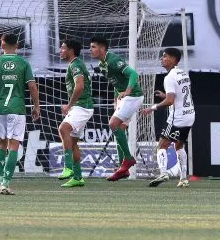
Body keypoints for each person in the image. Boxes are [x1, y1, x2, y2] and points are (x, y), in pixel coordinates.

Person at [0, 32, 40, 195]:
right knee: (13, 146)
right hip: (17, 109)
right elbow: (32, 87)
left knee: (1, 144)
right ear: (17, 46)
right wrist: (36, 106)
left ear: (2, 45)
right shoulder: (23, 63)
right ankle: (5, 183)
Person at [89, 35, 144, 181]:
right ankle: (123, 168)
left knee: (113, 124)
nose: (90, 50)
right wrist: (116, 101)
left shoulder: (113, 60)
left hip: (133, 96)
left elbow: (133, 73)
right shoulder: (102, 64)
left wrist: (128, 90)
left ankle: (128, 159)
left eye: (93, 47)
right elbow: (116, 83)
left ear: (102, 48)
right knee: (121, 127)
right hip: (125, 99)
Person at [142, 48, 196, 188]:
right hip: (189, 115)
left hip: (177, 117)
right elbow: (179, 96)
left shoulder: (169, 77)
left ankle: (163, 173)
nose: (162, 59)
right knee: (179, 145)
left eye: (164, 56)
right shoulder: (182, 73)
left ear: (173, 59)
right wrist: (165, 95)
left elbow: (171, 101)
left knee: (162, 145)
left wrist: (152, 108)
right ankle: (183, 178)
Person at [56, 39, 93, 188]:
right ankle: (78, 177)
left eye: (63, 48)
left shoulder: (76, 64)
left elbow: (79, 86)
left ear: (71, 50)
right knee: (73, 142)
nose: (60, 51)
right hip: (81, 106)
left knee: (63, 129)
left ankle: (68, 167)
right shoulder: (74, 64)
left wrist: (69, 106)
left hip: (82, 106)